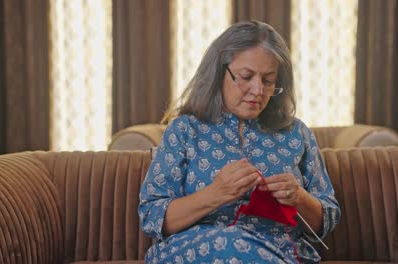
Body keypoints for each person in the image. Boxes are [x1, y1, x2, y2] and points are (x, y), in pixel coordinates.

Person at [138, 20, 340, 263]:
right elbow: (151, 217)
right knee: (230, 244)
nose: (257, 90)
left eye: (268, 80)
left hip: (280, 252)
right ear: (219, 72)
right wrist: (216, 193)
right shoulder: (185, 130)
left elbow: (326, 221)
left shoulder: (296, 133)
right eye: (246, 77)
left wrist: (299, 198)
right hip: (193, 251)